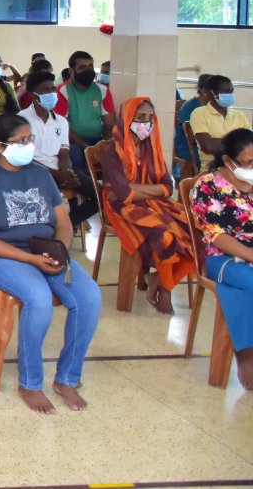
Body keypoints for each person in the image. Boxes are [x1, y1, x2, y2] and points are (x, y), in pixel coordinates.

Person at [0, 114, 101, 414]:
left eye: (30, 139)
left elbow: (63, 222)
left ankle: (67, 379)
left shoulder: (39, 174)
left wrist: (59, 251)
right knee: (38, 299)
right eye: (21, 141)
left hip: (45, 252)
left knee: (89, 296)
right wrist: (30, 259)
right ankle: (31, 383)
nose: (28, 145)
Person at [101, 97, 196, 315]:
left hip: (152, 202)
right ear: (127, 119)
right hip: (119, 206)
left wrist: (136, 188)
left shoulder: (152, 148)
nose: (147, 123)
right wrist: (145, 189)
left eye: (150, 118)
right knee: (165, 234)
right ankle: (166, 288)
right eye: (141, 117)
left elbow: (167, 188)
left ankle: (159, 279)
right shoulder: (113, 151)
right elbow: (122, 194)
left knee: (194, 229)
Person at [190, 129, 253, 390]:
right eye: (249, 163)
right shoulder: (207, 187)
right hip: (223, 258)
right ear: (229, 161)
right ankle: (247, 355)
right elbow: (215, 236)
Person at [19, 71, 99, 225]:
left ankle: (65, 225)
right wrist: (56, 175)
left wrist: (67, 172)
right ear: (34, 95)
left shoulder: (61, 121)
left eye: (53, 89)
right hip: (33, 173)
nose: (51, 93)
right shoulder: (21, 120)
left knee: (100, 195)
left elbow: (63, 152)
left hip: (59, 170)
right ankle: (55, 227)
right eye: (46, 90)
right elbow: (24, 159)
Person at [55, 51, 114, 171]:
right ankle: (80, 187)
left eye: (90, 67)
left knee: (113, 153)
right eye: (82, 67)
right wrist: (87, 148)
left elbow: (110, 125)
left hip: (97, 139)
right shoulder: (62, 91)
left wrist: (104, 146)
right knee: (75, 156)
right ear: (71, 71)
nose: (88, 70)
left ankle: (106, 188)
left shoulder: (102, 90)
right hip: (71, 142)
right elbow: (62, 127)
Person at [191, 75, 251, 157]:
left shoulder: (239, 115)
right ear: (210, 93)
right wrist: (239, 141)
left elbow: (250, 143)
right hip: (214, 167)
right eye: (226, 91)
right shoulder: (199, 113)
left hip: (242, 166)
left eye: (231, 91)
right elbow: (209, 147)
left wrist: (219, 141)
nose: (230, 94)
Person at [174, 74, 212, 170]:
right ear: (204, 91)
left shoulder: (216, 107)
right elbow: (192, 137)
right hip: (188, 146)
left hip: (209, 143)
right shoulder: (190, 106)